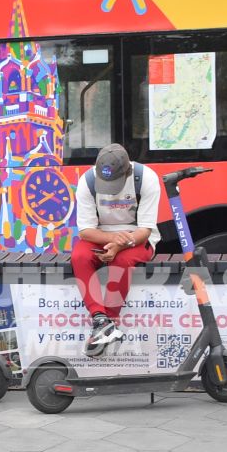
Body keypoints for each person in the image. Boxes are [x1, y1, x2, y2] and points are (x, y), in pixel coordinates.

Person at [71, 142, 163, 355]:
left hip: (136, 237)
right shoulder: (87, 181)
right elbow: (85, 231)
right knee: (79, 256)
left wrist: (121, 244)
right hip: (100, 234)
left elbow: (145, 230)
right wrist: (113, 240)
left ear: (127, 170)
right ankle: (100, 319)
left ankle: (110, 321)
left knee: (122, 261)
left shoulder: (146, 178)